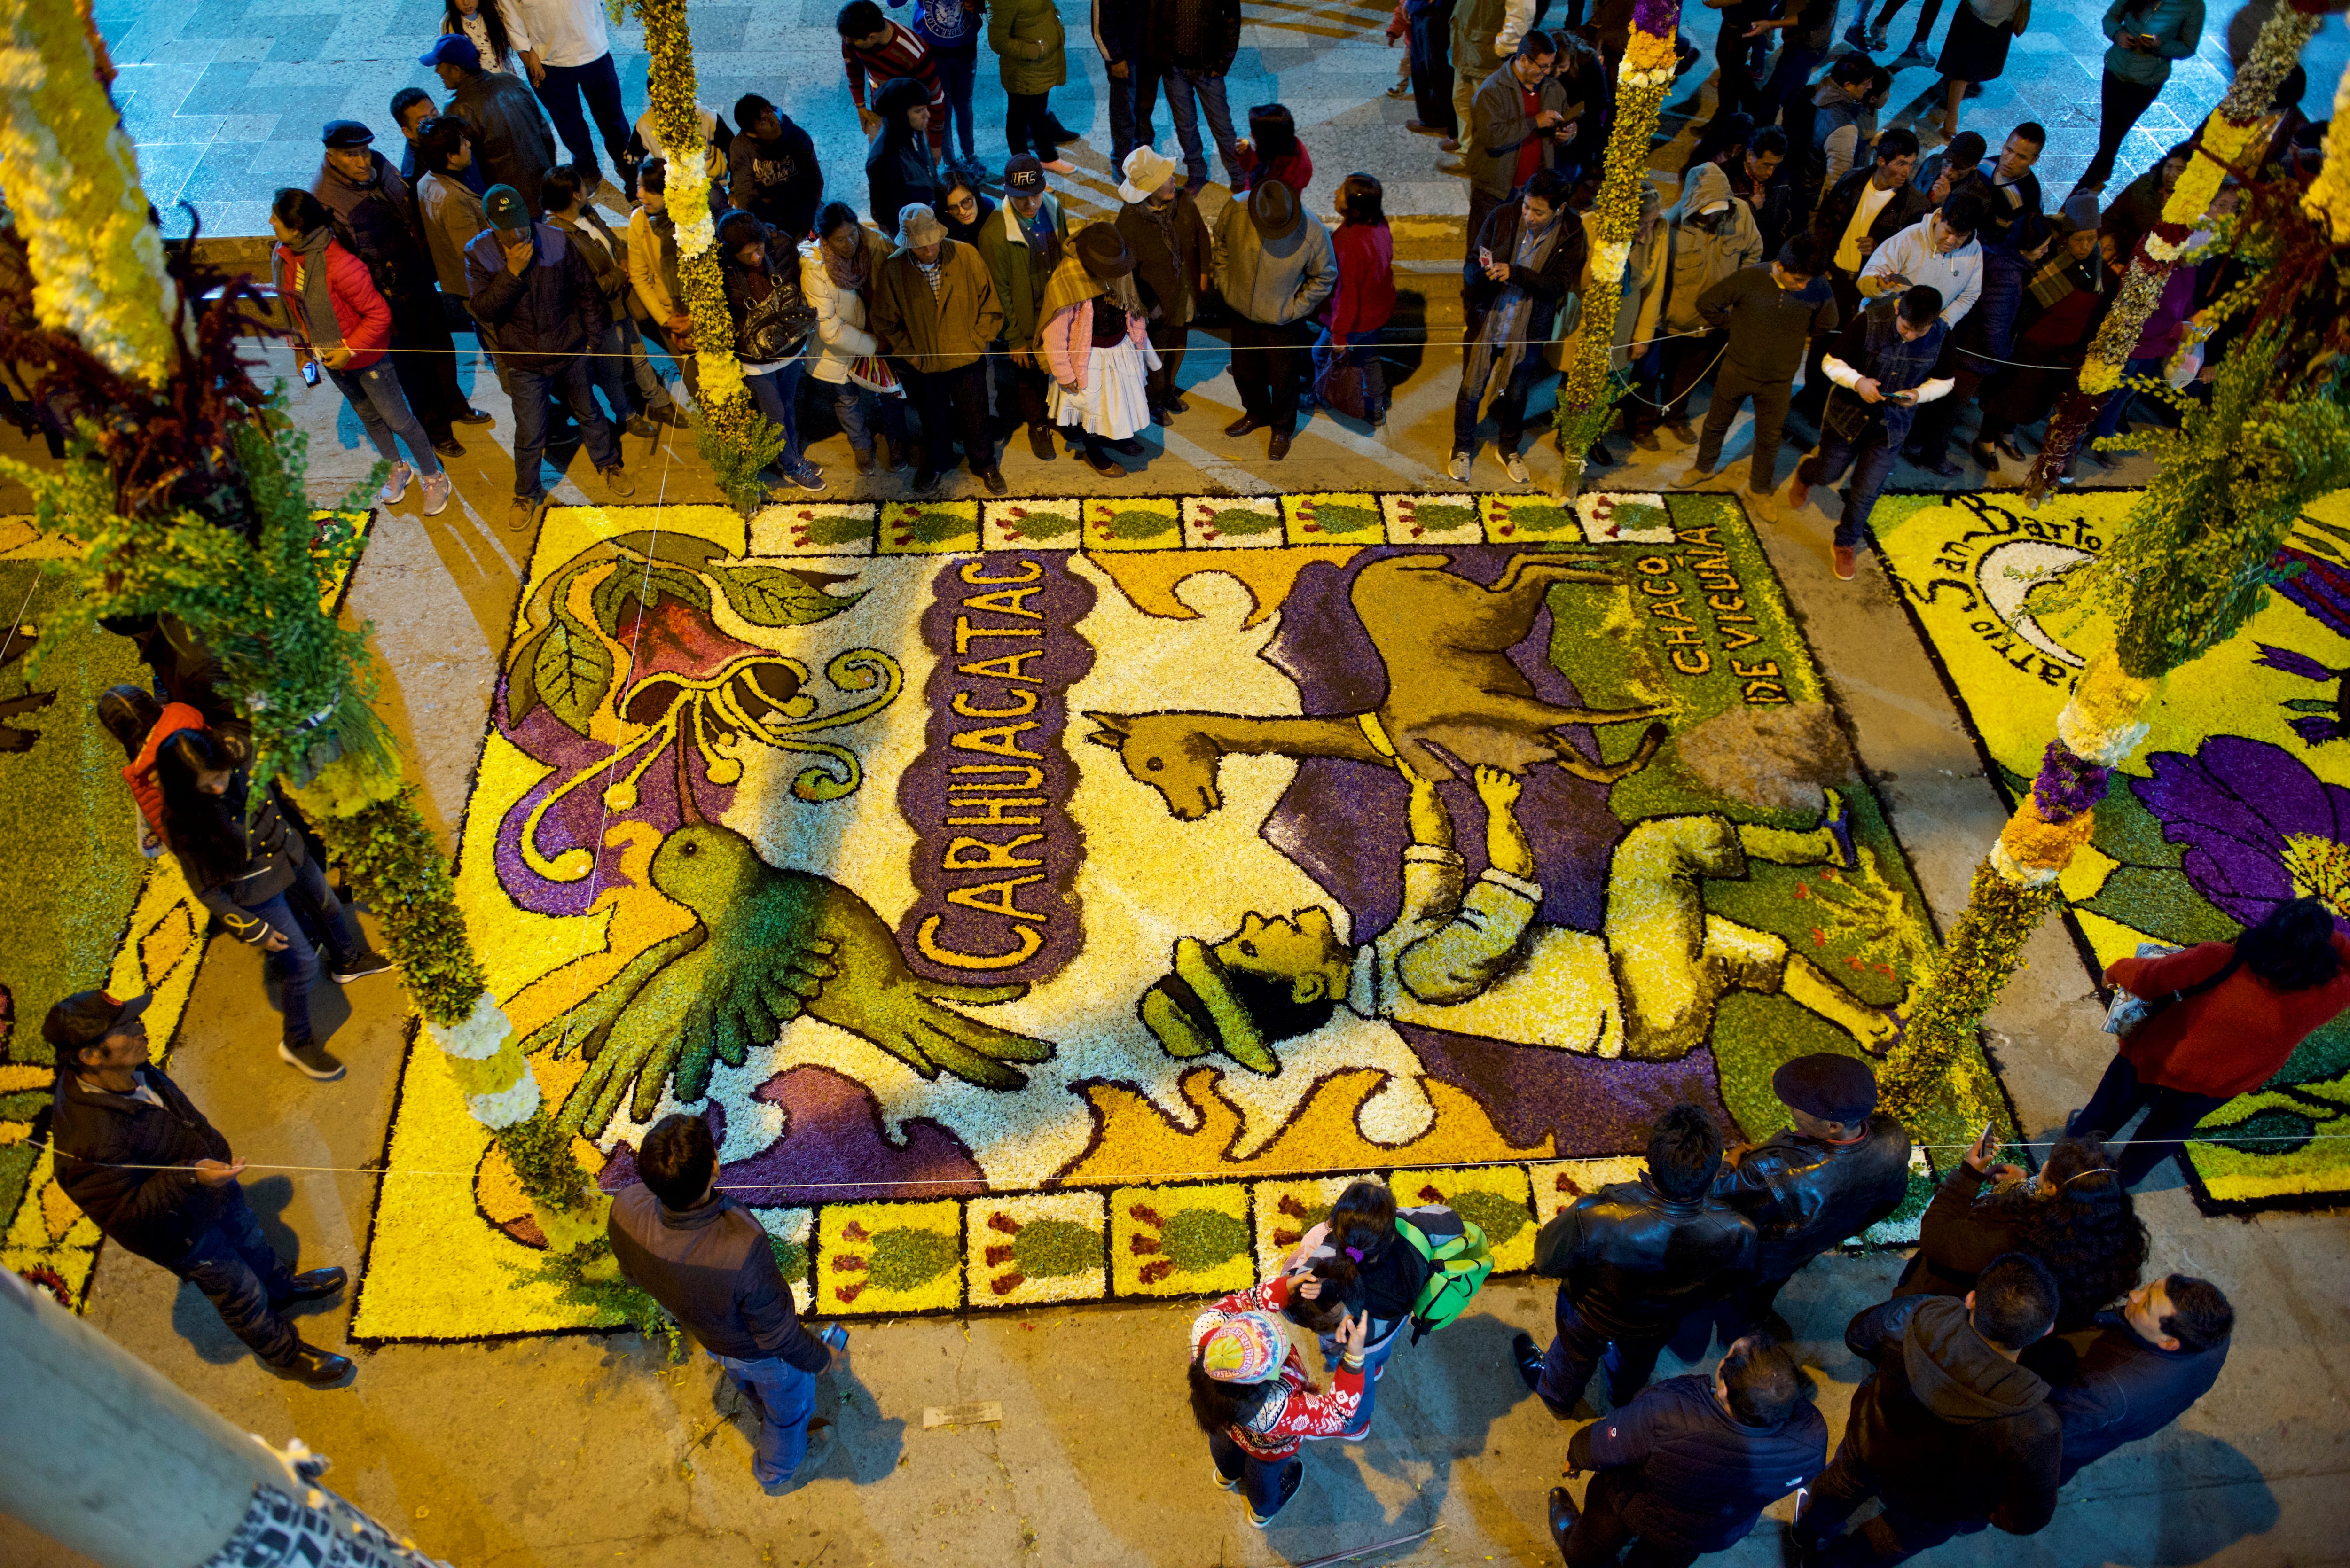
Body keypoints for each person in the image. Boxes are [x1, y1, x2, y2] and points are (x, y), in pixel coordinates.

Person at [1136, 772, 1904, 1074]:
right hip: (1641, 1004)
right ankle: (1810, 844)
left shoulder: (1390, 968)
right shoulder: (1413, 976)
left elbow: (1430, 887)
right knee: (1653, 850)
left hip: (1638, 992)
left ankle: (1869, 1023)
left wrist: (1425, 803)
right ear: (1305, 982)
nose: (1253, 920)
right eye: (1248, 944)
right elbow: (1509, 896)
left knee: (1742, 946)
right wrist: (1500, 810)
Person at [46, 991, 355, 1387]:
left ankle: (283, 1288)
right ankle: (285, 1354)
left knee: (254, 1241)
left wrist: (208, 1163)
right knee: (239, 1291)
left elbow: (181, 1117)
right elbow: (126, 1215)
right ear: (90, 1055)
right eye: (126, 1027)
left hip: (214, 1189)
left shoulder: (131, 1067)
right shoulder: (87, 1139)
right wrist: (191, 1175)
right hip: (185, 1234)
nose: (140, 1028)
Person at [609, 1114, 848, 1493]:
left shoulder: (625, 1207)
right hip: (759, 1352)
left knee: (748, 1379)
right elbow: (779, 1337)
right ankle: (775, 1472)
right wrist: (822, 1359)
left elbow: (633, 1276)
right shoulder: (740, 1245)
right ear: (715, 1168)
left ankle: (756, 1405)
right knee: (791, 1411)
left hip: (709, 1335)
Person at [151, 726, 390, 1080]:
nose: (218, 788)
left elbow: (287, 753)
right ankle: (297, 1041)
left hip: (291, 852)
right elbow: (206, 891)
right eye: (206, 786)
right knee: (303, 965)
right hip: (257, 892)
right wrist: (255, 929)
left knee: (328, 906)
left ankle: (348, 961)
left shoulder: (239, 749)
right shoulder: (182, 822)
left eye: (219, 776)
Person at [1793, 1254, 2062, 1565]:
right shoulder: (2037, 1427)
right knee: (1891, 1540)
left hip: (1869, 1446)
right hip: (1936, 1507)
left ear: (1972, 1298)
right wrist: (1975, 1505)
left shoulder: (1911, 1317)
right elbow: (2027, 1517)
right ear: (2047, 1330)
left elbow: (1859, 1336)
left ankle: (1808, 1533)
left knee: (1839, 1486)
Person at [2083, 897, 2350, 1185]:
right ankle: (2122, 1180)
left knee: (2107, 1109)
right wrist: (2312, 935)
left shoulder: (2219, 959)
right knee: (2166, 1131)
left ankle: (2073, 1161)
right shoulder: (2330, 994)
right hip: (2220, 1083)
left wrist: (2114, 972)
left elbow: (2149, 978)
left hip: (2160, 1057)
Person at [1515, 1104, 1758, 1417]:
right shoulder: (1738, 1230)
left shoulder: (1597, 1215)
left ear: (1648, 1159)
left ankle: (1558, 1396)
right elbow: (1724, 1288)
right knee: (1638, 1360)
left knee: (1573, 1355)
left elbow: (1547, 1260)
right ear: (1713, 1175)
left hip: (1590, 1313)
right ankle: (1621, 1397)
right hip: (1659, 1320)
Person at [1549, 1335, 1826, 1568]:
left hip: (1634, 1502)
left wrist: (1577, 1453)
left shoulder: (1669, 1414)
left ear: (1725, 1390)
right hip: (1705, 1533)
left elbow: (1607, 1442)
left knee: (1594, 1540)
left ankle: (1579, 1554)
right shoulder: (1813, 1440)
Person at [270, 189, 454, 515]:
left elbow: (380, 316)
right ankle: (398, 468)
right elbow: (295, 311)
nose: (270, 222)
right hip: (331, 359)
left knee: (399, 420)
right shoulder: (285, 256)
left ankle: (435, 476)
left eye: (276, 218)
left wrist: (348, 349)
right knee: (369, 417)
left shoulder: (341, 266)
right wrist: (302, 351)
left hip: (368, 359)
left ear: (297, 228)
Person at [466, 182, 635, 531]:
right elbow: (482, 309)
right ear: (489, 224)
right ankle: (526, 492)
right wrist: (511, 274)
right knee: (530, 429)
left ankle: (608, 463)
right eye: (506, 228)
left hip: (569, 348)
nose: (516, 233)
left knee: (589, 409)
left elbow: (586, 292)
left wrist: (590, 340)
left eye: (520, 223)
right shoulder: (478, 253)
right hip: (524, 360)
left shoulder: (557, 240)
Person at [312, 119, 482, 459]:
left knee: (440, 345)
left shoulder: (378, 163)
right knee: (413, 366)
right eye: (351, 156)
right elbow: (346, 262)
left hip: (416, 275)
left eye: (364, 152)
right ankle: (436, 430)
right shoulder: (327, 199)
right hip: (386, 295)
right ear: (332, 156)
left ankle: (454, 405)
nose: (362, 162)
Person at [1712, 1053, 1913, 1330]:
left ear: (1833, 1126)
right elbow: (1892, 1199)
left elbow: (1718, 1197)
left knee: (1750, 1291)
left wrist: (1730, 1163)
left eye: (1797, 1106)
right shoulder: (1894, 1135)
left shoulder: (1776, 1172)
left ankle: (1744, 1327)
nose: (1792, 1110)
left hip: (1772, 1253)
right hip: (1815, 1241)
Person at [1897, 1128, 2147, 1334]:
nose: (2045, 1165)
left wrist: (1968, 1173)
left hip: (1956, 1319)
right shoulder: (2115, 1233)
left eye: (2046, 1170)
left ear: (2050, 1189)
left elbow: (1937, 1238)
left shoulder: (2010, 1235)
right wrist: (2027, 1181)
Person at [1787, 284, 1952, 581]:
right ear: (1899, 307)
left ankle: (1845, 542)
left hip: (1891, 428)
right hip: (1847, 418)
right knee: (1829, 473)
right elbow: (1830, 362)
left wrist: (1918, 394)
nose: (1910, 336)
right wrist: (1858, 382)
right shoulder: (1870, 321)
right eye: (1905, 328)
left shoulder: (1943, 334)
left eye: (1920, 331)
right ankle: (1807, 472)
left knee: (1866, 492)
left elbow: (1946, 380)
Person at [1673, 234, 1839, 523]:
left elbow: (1829, 322)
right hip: (1737, 369)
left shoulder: (1817, 286)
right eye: (1798, 280)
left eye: (1808, 281)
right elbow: (1708, 303)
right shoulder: (1749, 279)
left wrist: (1796, 333)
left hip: (1779, 379)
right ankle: (1703, 468)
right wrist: (1735, 327)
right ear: (1782, 267)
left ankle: (1759, 489)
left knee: (1769, 436)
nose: (1804, 286)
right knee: (1716, 424)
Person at [1187, 1271, 1371, 1527]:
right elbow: (1338, 1415)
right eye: (1279, 1358)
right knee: (1264, 1476)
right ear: (1266, 1378)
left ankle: (1227, 1476)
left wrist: (1284, 1288)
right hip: (1267, 1448)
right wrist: (1354, 1357)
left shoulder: (1206, 1331)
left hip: (1224, 1426)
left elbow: (1241, 1302)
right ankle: (1262, 1512)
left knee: (1224, 1448)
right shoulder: (1277, 1408)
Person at [1276, 1179, 1444, 1438]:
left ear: (1337, 1224)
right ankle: (1377, 1366)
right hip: (1390, 1329)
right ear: (1389, 1233)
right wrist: (1397, 1219)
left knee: (1359, 1383)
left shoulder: (1321, 1255)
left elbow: (1290, 1305)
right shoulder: (1409, 1231)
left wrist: (1299, 1263)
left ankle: (1354, 1426)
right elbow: (1451, 1223)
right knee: (1378, 1356)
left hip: (1351, 1345)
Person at [2029, 1273, 2232, 1485]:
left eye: (2146, 1305)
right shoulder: (2215, 1337)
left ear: (2169, 1343)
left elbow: (2047, 1426)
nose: (2135, 1295)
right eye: (2150, 1286)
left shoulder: (2103, 1391)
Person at [1451, 166, 1584, 484]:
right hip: (1489, 322)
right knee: (1471, 389)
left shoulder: (1572, 232)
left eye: (1539, 212)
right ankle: (1462, 448)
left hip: (1529, 329)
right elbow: (1472, 264)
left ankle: (1509, 448)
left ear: (1560, 209)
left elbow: (1559, 285)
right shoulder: (1502, 216)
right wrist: (1482, 277)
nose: (1529, 216)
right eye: (1526, 206)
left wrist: (1518, 274)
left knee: (1517, 393)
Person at [1795, 128, 1926, 429]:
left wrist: (1880, 245)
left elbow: (1911, 258)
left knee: (1853, 352)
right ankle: (1811, 399)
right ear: (1881, 161)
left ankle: (1836, 408)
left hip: (1871, 290)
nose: (1907, 172)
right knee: (1822, 342)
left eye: (1911, 164)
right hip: (1836, 278)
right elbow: (1825, 222)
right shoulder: (1852, 180)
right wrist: (1821, 264)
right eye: (1901, 164)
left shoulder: (1915, 206)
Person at [871, 201, 1007, 493]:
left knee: (976, 415)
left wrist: (976, 341)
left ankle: (985, 464)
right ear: (908, 244)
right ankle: (936, 464)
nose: (930, 250)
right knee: (932, 418)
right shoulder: (894, 269)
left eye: (933, 241)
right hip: (926, 363)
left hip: (967, 358)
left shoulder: (966, 255)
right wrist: (911, 353)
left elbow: (990, 305)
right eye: (921, 246)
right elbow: (885, 321)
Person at [1905, 208, 2047, 476]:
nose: (2045, 252)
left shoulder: (1994, 254)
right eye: (2043, 246)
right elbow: (1995, 323)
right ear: (2027, 247)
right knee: (1949, 408)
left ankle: (1914, 443)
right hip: (1974, 352)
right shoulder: (2007, 274)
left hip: (1961, 343)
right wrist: (2001, 358)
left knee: (1939, 401)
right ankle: (1933, 457)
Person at [1629, 160, 1761, 448]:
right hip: (1669, 320)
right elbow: (1656, 277)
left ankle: (1676, 418)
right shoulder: (1669, 226)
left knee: (1687, 378)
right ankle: (1642, 426)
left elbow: (1753, 252)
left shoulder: (1741, 215)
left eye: (1718, 209)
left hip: (1707, 323)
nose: (1712, 217)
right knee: (1649, 376)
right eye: (1706, 211)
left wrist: (1738, 296)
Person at [1974, 200, 2112, 468]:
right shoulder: (2048, 256)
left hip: (2059, 347)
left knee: (2030, 398)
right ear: (2065, 237)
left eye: (2091, 239)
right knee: (2007, 392)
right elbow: (2026, 301)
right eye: (2079, 239)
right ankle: (1985, 439)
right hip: (2030, 340)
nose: (2086, 246)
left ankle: (2007, 432)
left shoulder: (2094, 262)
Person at [542, 165, 669, 437]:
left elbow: (611, 240)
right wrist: (620, 275)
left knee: (637, 353)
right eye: (583, 185)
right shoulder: (557, 237)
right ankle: (627, 415)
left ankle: (658, 401)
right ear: (576, 195)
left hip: (619, 303)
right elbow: (580, 290)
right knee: (611, 368)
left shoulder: (587, 213)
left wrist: (624, 257)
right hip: (599, 314)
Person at [1214, 180, 1335, 462]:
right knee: (1245, 373)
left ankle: (1282, 428)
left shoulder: (1313, 230)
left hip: (1284, 323)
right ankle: (1256, 413)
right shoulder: (1235, 209)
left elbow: (1325, 275)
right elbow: (1220, 244)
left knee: (1284, 381)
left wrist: (1294, 309)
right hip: (1242, 313)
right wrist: (1224, 281)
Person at [717, 209, 826, 494]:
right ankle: (790, 465)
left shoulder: (781, 246)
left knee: (789, 404)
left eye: (759, 249)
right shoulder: (721, 269)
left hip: (789, 346)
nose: (755, 258)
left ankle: (794, 457)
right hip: (755, 359)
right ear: (731, 254)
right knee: (774, 412)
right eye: (746, 255)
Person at [1040, 224, 1161, 476]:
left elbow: (1132, 305)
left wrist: (1137, 336)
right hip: (1088, 358)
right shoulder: (1069, 279)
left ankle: (1114, 437)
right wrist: (1065, 375)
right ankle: (1093, 450)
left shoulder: (1120, 270)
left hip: (1119, 350)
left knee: (1117, 403)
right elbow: (1054, 335)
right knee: (1092, 407)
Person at [803, 200, 912, 478]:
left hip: (879, 333)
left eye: (853, 233)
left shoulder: (873, 244)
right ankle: (862, 446)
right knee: (847, 398)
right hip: (842, 346)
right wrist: (874, 345)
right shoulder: (815, 270)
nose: (850, 243)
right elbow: (829, 328)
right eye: (840, 239)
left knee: (889, 391)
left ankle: (896, 439)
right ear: (824, 238)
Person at [978, 155, 1069, 459]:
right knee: (1029, 377)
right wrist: (1015, 340)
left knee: (1060, 369)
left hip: (1056, 313)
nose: (1031, 204)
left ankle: (1059, 417)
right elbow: (1000, 293)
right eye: (1021, 199)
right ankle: (1037, 425)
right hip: (1026, 321)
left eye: (1035, 195)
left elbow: (1065, 253)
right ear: (1008, 193)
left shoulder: (1054, 207)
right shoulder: (994, 235)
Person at [1114, 147, 1211, 427]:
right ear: (1148, 191)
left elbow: (1202, 236)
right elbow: (1127, 274)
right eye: (1165, 179)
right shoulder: (1130, 221)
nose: (1173, 181)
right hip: (1154, 302)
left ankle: (1169, 388)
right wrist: (1147, 307)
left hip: (1184, 291)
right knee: (1156, 353)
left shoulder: (1184, 202)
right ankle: (1153, 401)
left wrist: (1204, 273)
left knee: (1180, 340)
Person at [1465, 32, 1577, 274]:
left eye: (1551, 66)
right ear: (1524, 59)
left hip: (1532, 191)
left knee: (1516, 247)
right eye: (1543, 66)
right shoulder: (1493, 90)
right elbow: (1492, 138)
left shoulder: (1552, 89)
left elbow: (1566, 118)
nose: (1547, 72)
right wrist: (1534, 123)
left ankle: (1506, 296)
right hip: (1495, 190)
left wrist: (1567, 135)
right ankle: (1477, 294)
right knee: (1485, 247)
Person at [498, 0, 634, 195]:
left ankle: (625, 160)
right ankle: (586, 167)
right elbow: (511, 16)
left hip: (593, 48)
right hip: (547, 59)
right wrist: (528, 56)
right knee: (568, 123)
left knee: (611, 114)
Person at [424, 34, 559, 216]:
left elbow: (469, 171)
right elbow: (546, 137)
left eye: (440, 65)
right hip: (543, 191)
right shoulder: (512, 82)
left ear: (456, 70)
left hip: (509, 206)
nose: (437, 71)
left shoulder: (457, 109)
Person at [2081, 0, 2204, 194]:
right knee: (2109, 135)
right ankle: (2094, 185)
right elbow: (2111, 18)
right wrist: (2119, 34)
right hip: (2115, 70)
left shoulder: (2193, 6)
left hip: (2146, 82)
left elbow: (2188, 47)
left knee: (2113, 137)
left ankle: (2082, 192)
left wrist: (2160, 46)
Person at [1316, 172, 1397, 427]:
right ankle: (1376, 407)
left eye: (1341, 191)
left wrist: (1339, 337)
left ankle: (1324, 396)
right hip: (1377, 312)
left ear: (1354, 206)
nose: (1335, 194)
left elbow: (1346, 296)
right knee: (1370, 358)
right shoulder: (1379, 224)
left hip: (1355, 320)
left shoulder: (1351, 244)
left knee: (1319, 355)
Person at [1143, 0, 1246, 195]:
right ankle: (1196, 173)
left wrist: (1223, 62)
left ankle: (1239, 177)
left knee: (1222, 125)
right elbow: (1153, 19)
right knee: (1185, 125)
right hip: (1174, 68)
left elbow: (1232, 20)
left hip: (1208, 68)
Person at [838, 0, 950, 160]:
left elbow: (937, 99)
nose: (848, 43)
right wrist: (860, 106)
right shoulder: (853, 37)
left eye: (854, 42)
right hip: (882, 111)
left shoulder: (914, 52)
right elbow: (853, 69)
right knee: (881, 157)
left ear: (872, 37)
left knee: (917, 165)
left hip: (913, 117)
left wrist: (935, 145)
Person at [1858, 191, 1984, 328]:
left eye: (1960, 236)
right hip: (1880, 325)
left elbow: (1969, 295)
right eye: (1948, 232)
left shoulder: (1974, 251)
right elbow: (1866, 280)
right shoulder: (1908, 239)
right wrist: (1880, 286)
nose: (1951, 241)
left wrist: (1941, 325)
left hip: (1923, 333)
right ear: (1938, 217)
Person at [627, 158, 698, 395]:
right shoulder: (639, 221)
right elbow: (638, 276)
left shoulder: (693, 218)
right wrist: (666, 320)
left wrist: (697, 318)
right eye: (639, 186)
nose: (640, 195)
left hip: (703, 313)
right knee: (693, 380)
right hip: (671, 317)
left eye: (649, 190)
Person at [893, 0, 985, 175]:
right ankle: (950, 161)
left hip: (965, 46)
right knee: (941, 105)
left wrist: (979, 5)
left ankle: (969, 155)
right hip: (932, 49)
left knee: (964, 103)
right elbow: (895, 3)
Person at [990, 0, 1075, 174]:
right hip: (1024, 70)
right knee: (1017, 120)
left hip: (1040, 66)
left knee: (1038, 113)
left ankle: (1048, 158)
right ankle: (1026, 172)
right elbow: (998, 41)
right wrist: (1035, 51)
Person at [415, 117, 493, 304]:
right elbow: (474, 254)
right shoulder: (453, 200)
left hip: (461, 284)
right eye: (463, 143)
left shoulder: (426, 181)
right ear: (451, 157)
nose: (469, 144)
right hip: (481, 290)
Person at [728, 94, 824, 240]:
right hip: (769, 211)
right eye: (762, 120)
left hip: (802, 204)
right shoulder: (741, 149)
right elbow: (747, 198)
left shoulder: (796, 136)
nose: (772, 120)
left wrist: (806, 218)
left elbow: (814, 181)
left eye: (769, 112)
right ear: (751, 132)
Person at [1449, 0, 1532, 168]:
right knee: (1462, 101)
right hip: (1467, 47)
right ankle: (1468, 157)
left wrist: (1502, 48)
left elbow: (1520, 17)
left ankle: (1486, 164)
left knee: (1488, 114)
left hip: (1487, 54)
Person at [866, 76, 942, 242]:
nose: (927, 116)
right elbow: (883, 212)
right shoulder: (883, 158)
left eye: (925, 109)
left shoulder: (914, 130)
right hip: (913, 233)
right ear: (900, 115)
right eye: (918, 111)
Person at [1935, 0, 2024, 140]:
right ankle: (1951, 121)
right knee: (1964, 71)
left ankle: (1951, 118)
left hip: (1994, 13)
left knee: (1966, 68)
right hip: (1985, 13)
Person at [1093, 0, 1156, 170]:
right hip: (1125, 56)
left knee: (1145, 105)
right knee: (1124, 112)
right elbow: (1100, 25)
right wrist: (1115, 58)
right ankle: (1123, 162)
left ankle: (1144, 149)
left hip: (1150, 49)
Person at [1968, 122, 2047, 242]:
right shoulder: (1985, 165)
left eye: (2021, 157)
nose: (2010, 161)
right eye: (2009, 150)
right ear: (2004, 146)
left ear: (2034, 160)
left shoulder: (2029, 201)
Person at [1403, 0, 1460, 143]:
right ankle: (1430, 119)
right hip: (1420, 9)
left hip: (1437, 12)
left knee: (1438, 71)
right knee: (1420, 68)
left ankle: (1453, 128)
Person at [1232, 102, 1314, 199]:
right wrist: (1244, 154)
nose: (1250, 135)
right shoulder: (1284, 146)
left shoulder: (1281, 177)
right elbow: (1254, 166)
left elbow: (1264, 203)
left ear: (1267, 141)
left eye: (1255, 133)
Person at [442, 0, 517, 74]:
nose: (466, 3)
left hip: (506, 77)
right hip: (477, 80)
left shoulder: (495, 11)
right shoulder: (449, 24)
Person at [392, 86, 440, 183]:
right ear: (407, 133)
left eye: (435, 114)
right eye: (424, 121)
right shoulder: (417, 175)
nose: (435, 123)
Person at [936, 170, 996, 247]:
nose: (962, 212)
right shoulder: (939, 221)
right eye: (953, 208)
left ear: (975, 195)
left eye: (966, 202)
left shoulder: (988, 208)